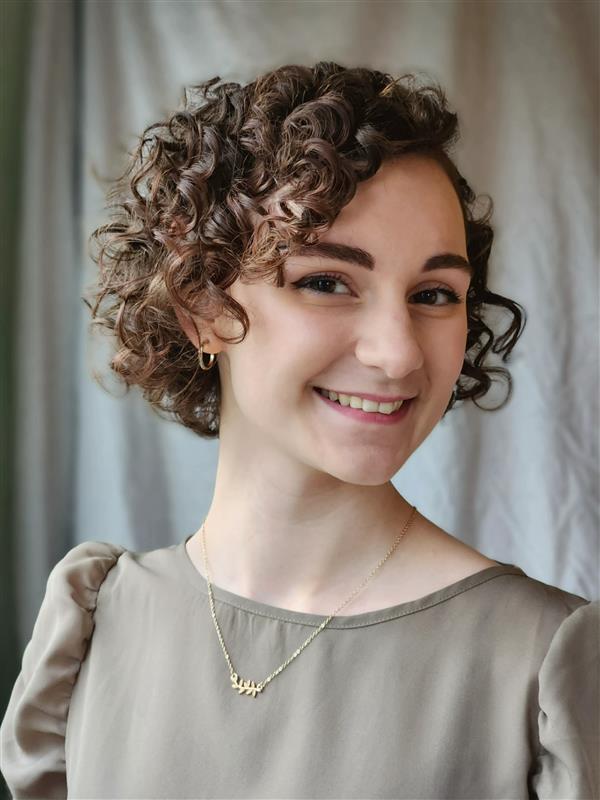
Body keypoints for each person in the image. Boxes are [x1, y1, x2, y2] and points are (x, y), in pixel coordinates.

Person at [1, 61, 598, 799]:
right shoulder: (95, 625)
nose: (399, 353)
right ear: (201, 308)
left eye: (434, 294)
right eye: (325, 282)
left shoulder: (542, 667)